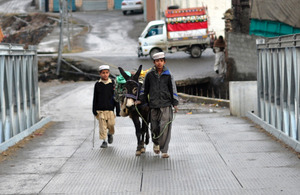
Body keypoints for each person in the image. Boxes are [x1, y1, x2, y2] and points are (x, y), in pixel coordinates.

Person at [139, 52, 179, 158]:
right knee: (155, 128)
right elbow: (144, 89)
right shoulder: (149, 75)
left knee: (165, 127)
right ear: (154, 62)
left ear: (164, 62)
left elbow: (173, 89)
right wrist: (142, 100)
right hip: (153, 105)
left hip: (166, 104)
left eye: (161, 61)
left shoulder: (168, 74)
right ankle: (156, 143)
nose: (159, 63)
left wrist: (175, 103)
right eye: (157, 61)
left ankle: (164, 150)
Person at [92, 65, 120, 148]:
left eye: (106, 73)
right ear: (100, 74)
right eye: (103, 73)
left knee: (111, 125)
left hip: (110, 109)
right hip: (100, 110)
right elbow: (95, 97)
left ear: (109, 73)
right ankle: (104, 141)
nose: (105, 74)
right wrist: (94, 110)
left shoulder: (112, 84)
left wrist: (118, 110)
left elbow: (116, 97)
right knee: (102, 127)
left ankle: (110, 134)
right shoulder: (97, 84)